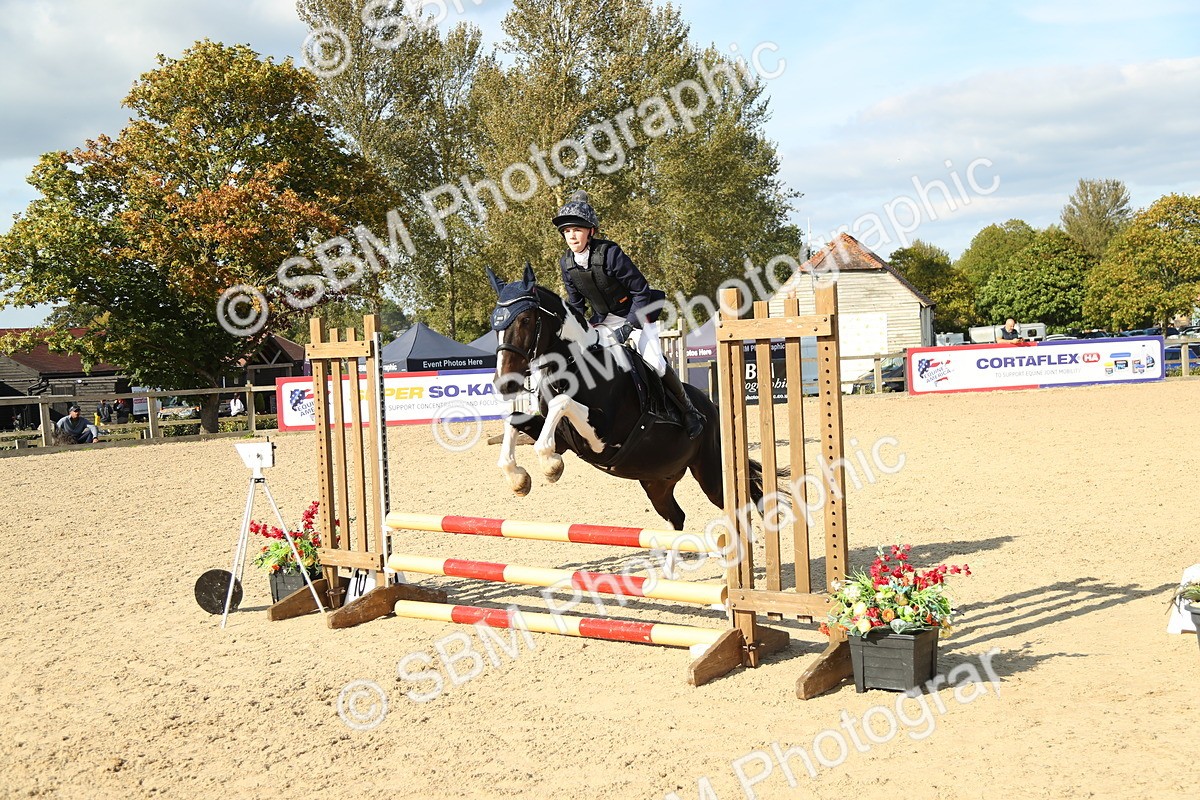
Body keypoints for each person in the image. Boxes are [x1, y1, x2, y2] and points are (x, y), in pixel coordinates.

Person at [553, 190, 704, 438]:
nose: (571, 235)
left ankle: (688, 410)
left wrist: (631, 325)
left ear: (591, 231)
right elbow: (577, 304)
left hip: (637, 313)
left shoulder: (610, 254)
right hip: (603, 320)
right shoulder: (566, 263)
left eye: (577, 230)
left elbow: (641, 291)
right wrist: (570, 330)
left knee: (655, 362)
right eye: (567, 231)